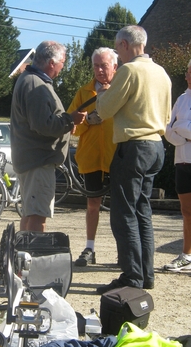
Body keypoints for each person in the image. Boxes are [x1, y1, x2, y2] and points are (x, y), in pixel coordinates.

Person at [95, 25, 171, 294]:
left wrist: (101, 90)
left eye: (117, 48)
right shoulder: (161, 72)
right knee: (143, 212)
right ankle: (145, 275)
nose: (117, 53)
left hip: (133, 146)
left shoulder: (128, 70)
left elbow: (104, 109)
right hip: (156, 146)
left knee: (123, 214)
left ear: (126, 44)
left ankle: (131, 276)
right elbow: (167, 116)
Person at [10, 40, 86, 232]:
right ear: (52, 63)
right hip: (38, 161)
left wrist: (66, 122)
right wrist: (70, 121)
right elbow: (43, 125)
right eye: (62, 63)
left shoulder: (29, 79)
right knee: (37, 216)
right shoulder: (36, 85)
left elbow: (40, 119)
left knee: (29, 213)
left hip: (31, 159)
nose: (63, 67)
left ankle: (23, 257)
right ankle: (33, 259)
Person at [67, 47, 118, 266]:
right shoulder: (84, 92)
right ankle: (90, 248)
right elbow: (71, 126)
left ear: (115, 66)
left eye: (103, 65)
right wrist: (88, 121)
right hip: (91, 158)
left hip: (117, 157)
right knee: (92, 205)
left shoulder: (121, 89)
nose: (98, 70)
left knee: (120, 208)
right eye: (95, 65)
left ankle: (123, 251)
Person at [164, 60, 191, 271]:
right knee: (186, 211)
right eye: (190, 72)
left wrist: (180, 128)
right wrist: (183, 137)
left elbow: (177, 126)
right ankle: (187, 255)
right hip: (182, 158)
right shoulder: (181, 99)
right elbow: (168, 128)